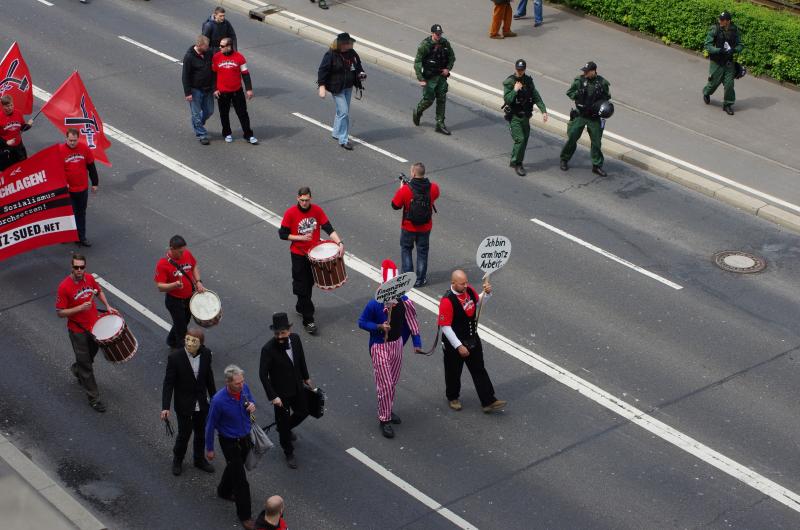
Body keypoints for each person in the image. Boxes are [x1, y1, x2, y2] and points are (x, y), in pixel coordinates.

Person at [358, 260, 422, 438]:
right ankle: (384, 419)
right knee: (385, 384)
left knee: (392, 382)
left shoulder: (405, 302)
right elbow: (362, 322)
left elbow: (412, 322)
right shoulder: (374, 304)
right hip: (380, 346)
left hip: (397, 344)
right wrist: (378, 327)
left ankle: (387, 408)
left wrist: (417, 343)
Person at [438, 269, 506, 413]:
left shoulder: (468, 291)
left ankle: (488, 400)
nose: (465, 285)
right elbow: (445, 327)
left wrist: (487, 294)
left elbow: (478, 302)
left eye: (466, 282)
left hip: (472, 338)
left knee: (479, 369)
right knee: (453, 373)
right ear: (453, 283)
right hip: (454, 344)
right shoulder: (447, 301)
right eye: (462, 284)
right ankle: (453, 397)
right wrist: (458, 346)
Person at [56, 254, 116, 413]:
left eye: (82, 267)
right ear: (72, 267)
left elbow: (99, 291)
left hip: (94, 327)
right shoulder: (64, 287)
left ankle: (77, 369)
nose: (79, 270)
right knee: (87, 366)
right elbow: (60, 312)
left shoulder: (89, 279)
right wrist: (79, 308)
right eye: (76, 267)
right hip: (78, 331)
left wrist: (108, 306)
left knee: (90, 355)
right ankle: (94, 398)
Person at [279, 187, 343, 334]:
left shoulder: (317, 210)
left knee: (309, 284)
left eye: (307, 200)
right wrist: (300, 237)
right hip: (298, 255)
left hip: (314, 255)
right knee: (302, 285)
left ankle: (301, 306)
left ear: (310, 199)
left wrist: (340, 243)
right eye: (301, 200)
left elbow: (328, 228)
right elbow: (282, 234)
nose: (304, 203)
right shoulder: (290, 213)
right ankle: (309, 320)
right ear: (297, 198)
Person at [205, 365, 257, 530]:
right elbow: (210, 425)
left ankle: (223, 490)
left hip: (245, 438)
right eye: (237, 383)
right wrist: (210, 448)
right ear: (228, 382)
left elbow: (252, 401)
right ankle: (245, 516)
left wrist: (252, 406)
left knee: (235, 468)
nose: (241, 386)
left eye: (242, 382)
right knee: (241, 482)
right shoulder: (218, 400)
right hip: (229, 442)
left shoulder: (244, 388)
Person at [161, 328, 217, 476]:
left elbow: (208, 377)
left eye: (194, 341)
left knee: (200, 433)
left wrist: (214, 398)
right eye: (187, 340)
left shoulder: (206, 354)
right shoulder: (175, 358)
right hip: (184, 404)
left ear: (201, 343)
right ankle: (177, 460)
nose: (189, 343)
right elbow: (168, 383)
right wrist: (165, 407)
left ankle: (199, 460)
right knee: (184, 434)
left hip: (201, 402)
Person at [259, 313, 312, 469]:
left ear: (289, 330)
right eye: (277, 334)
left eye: (283, 333)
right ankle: (288, 451)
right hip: (280, 393)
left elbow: (300, 359)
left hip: (296, 386)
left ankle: (285, 428)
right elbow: (263, 375)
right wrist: (273, 396)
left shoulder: (295, 339)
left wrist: (306, 377)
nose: (280, 336)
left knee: (303, 411)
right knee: (282, 421)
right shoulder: (268, 349)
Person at [391, 163, 440, 287]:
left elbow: (395, 205)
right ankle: (420, 279)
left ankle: (407, 279)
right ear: (424, 173)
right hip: (425, 227)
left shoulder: (406, 190)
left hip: (408, 227)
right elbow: (435, 196)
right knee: (422, 252)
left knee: (406, 249)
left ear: (413, 173)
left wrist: (401, 188)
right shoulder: (433, 187)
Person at [154, 235, 206, 350]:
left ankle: (171, 340)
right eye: (179, 252)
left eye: (183, 251)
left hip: (188, 298)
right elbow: (160, 286)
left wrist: (198, 282)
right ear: (171, 249)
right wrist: (174, 285)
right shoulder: (162, 264)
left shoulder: (186, 253)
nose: (183, 255)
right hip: (174, 301)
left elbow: (194, 266)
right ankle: (184, 352)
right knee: (182, 330)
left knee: (183, 322)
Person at [559, 61, 611, 177]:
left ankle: (597, 166)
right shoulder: (579, 81)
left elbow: (607, 98)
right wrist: (577, 94)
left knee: (596, 142)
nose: (585, 73)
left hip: (594, 117)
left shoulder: (602, 83)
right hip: (581, 115)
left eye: (587, 71)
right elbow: (570, 93)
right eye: (584, 71)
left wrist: (602, 104)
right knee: (572, 137)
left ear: (594, 71)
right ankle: (564, 159)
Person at [317, 32, 366, 150]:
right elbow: (322, 71)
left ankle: (336, 132)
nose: (351, 45)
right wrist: (321, 86)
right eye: (349, 43)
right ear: (342, 45)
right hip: (336, 87)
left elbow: (358, 66)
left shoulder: (352, 54)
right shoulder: (331, 55)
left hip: (348, 86)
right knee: (344, 112)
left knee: (342, 111)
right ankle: (343, 139)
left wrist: (361, 73)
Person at [502, 59, 548, 176]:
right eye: (518, 69)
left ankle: (513, 160)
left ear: (525, 69)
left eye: (522, 70)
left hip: (526, 117)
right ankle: (518, 163)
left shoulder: (528, 81)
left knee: (524, 140)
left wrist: (543, 111)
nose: (520, 71)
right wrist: (515, 90)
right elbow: (507, 99)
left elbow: (535, 95)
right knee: (520, 139)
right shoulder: (510, 82)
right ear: (515, 68)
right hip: (515, 117)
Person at [57, 128, 99, 247]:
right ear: (66, 138)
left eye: (74, 140)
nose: (72, 143)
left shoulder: (84, 148)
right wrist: (62, 183)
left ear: (78, 139)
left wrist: (95, 183)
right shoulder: (60, 150)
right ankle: (67, 235)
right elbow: (56, 170)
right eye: (70, 140)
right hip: (68, 190)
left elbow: (91, 166)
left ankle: (81, 237)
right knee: (68, 213)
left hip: (82, 189)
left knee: (81, 213)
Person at [212, 37, 257, 145]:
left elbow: (245, 73)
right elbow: (213, 74)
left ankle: (248, 135)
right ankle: (227, 133)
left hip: (237, 91)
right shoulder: (216, 57)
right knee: (224, 114)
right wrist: (214, 89)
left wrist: (249, 89)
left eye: (222, 46)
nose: (220, 47)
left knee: (242, 113)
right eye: (220, 45)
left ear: (229, 47)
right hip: (222, 92)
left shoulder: (239, 57)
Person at [412, 24, 455, 135]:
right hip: (430, 77)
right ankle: (418, 111)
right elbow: (417, 62)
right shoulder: (425, 45)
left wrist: (447, 68)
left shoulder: (445, 43)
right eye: (437, 34)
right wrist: (421, 78)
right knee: (428, 100)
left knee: (442, 98)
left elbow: (452, 57)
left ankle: (440, 123)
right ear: (432, 33)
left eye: (440, 34)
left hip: (441, 76)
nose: (439, 36)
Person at [702, 11, 743, 116]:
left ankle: (727, 105)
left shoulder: (735, 30)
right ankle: (706, 92)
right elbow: (708, 45)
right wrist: (718, 50)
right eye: (719, 19)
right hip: (717, 62)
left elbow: (741, 45)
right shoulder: (715, 29)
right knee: (713, 83)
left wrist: (734, 50)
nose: (719, 21)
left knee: (729, 84)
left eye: (722, 20)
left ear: (728, 21)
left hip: (729, 62)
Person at [182, 35, 215, 145]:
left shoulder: (209, 53)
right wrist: (188, 93)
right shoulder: (189, 57)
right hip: (195, 90)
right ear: (199, 45)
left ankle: (196, 123)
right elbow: (185, 76)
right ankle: (202, 134)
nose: (208, 48)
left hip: (208, 88)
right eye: (206, 46)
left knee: (209, 111)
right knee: (196, 113)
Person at [0, 94, 33, 171]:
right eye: (7, 106)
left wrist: (28, 125)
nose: (10, 108)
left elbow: (22, 127)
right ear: (2, 106)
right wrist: (6, 142)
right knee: (7, 169)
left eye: (11, 105)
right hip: (6, 148)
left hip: (18, 145)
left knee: (23, 165)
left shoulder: (18, 113)